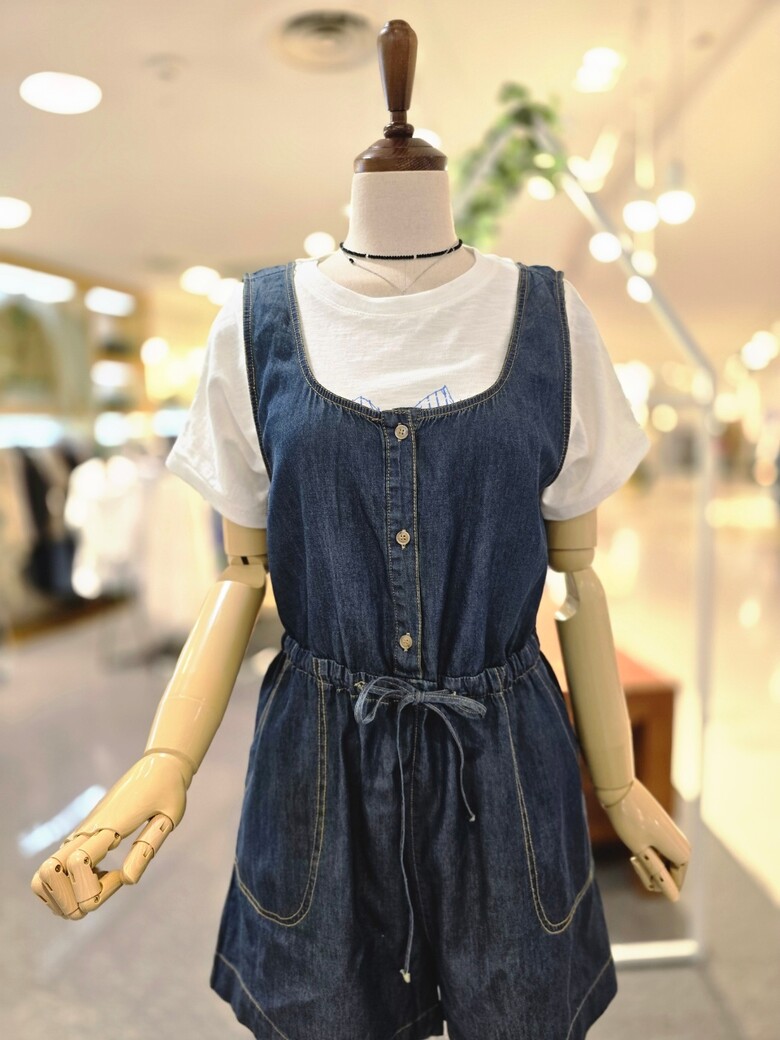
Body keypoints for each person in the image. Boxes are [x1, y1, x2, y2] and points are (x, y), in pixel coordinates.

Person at [32, 19, 690, 1040]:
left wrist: (618, 779)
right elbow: (240, 573)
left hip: (506, 766)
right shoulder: (251, 327)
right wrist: (165, 760)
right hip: (318, 769)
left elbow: (580, 576)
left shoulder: (553, 321)